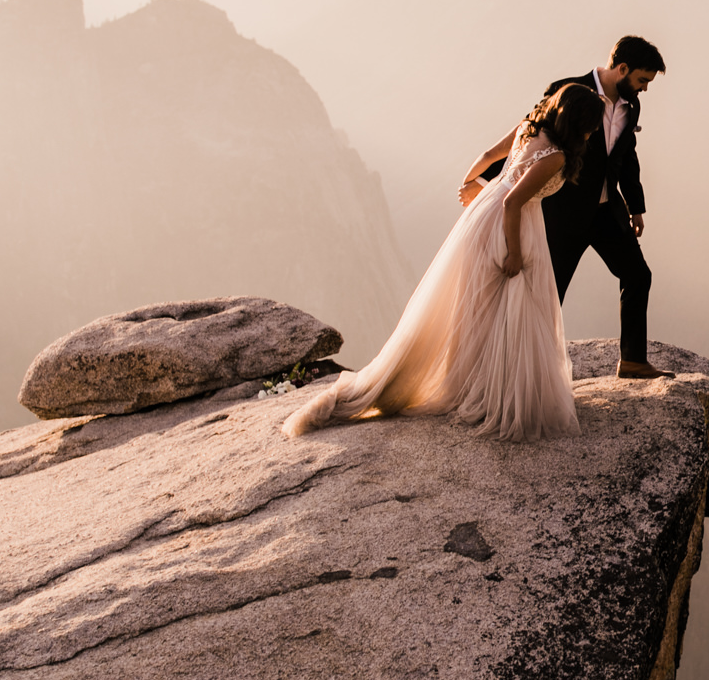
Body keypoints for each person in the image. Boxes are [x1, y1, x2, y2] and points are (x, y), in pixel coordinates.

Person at [284, 84, 606, 442]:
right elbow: (513, 203)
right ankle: (494, 392)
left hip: (481, 219)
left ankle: (477, 385)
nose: (593, 132)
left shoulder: (529, 127)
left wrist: (471, 185)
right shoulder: (556, 157)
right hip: (511, 226)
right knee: (513, 306)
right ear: (580, 123)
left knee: (483, 308)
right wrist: (515, 253)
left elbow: (487, 155)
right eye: (592, 124)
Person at [464, 36, 669, 380]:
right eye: (642, 80)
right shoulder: (566, 89)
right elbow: (531, 136)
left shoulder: (631, 106)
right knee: (546, 295)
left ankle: (632, 361)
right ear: (622, 69)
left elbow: (626, 156)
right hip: (562, 215)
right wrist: (483, 183)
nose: (644, 89)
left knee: (637, 276)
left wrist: (636, 207)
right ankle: (516, 372)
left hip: (606, 212)